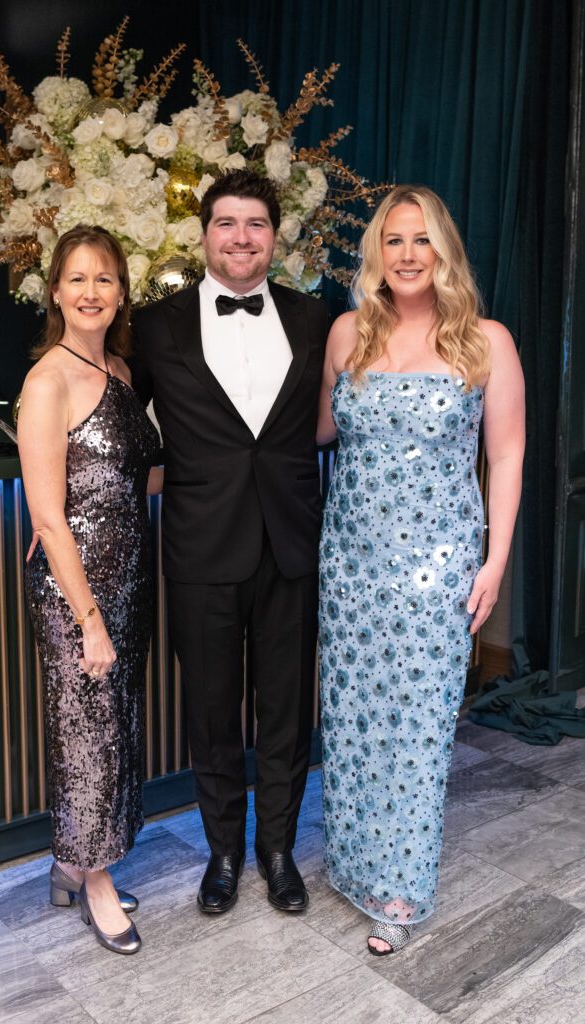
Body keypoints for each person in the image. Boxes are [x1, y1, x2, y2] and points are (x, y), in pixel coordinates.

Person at [317, 185, 525, 955]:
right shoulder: (347, 333)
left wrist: (493, 561)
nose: (407, 254)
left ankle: (398, 888)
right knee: (352, 720)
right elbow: (318, 433)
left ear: (444, 251)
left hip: (437, 570)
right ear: (376, 253)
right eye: (393, 240)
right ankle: (351, 864)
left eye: (421, 239)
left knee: (416, 729)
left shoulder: (485, 341)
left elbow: (506, 455)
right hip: (350, 564)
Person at [131, 169, 328, 914]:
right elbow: (116, 424)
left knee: (286, 710)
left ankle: (277, 850)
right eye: (226, 223)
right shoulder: (155, 325)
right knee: (211, 713)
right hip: (201, 547)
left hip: (290, 543)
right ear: (204, 233)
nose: (241, 238)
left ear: (275, 237)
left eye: (255, 224)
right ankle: (222, 853)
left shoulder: (316, 318)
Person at [18, 225, 161, 955]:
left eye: (104, 278)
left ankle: (69, 866)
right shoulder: (47, 381)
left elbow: (137, 478)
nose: (91, 292)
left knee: (117, 729)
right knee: (87, 739)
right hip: (77, 595)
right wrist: (90, 619)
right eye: (76, 278)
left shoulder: (122, 371)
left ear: (122, 292)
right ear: (54, 292)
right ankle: (96, 882)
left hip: (130, 578)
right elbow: (48, 517)